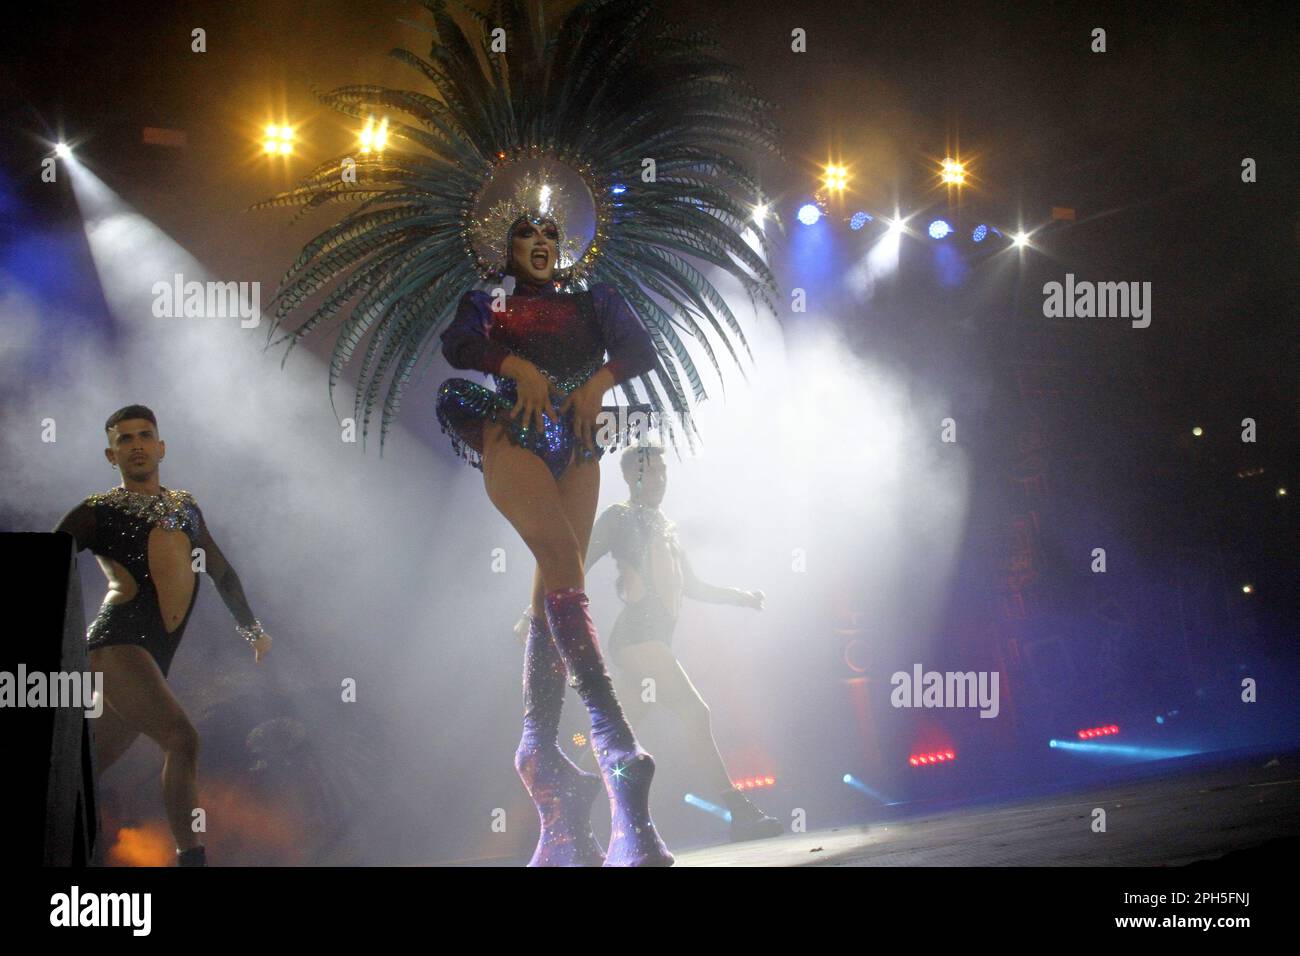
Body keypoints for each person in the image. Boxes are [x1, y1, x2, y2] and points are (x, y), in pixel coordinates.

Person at [437, 210, 674, 867]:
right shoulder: (490, 297)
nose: (539, 243)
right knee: (563, 559)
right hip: (512, 426)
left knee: (557, 581)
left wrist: (598, 383)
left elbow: (641, 347)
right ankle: (614, 739)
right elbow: (458, 343)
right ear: (506, 247)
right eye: (525, 235)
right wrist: (518, 365)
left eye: (548, 234)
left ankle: (544, 765)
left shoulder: (594, 296)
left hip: (578, 437)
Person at [53, 405, 271, 867]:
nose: (135, 445)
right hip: (117, 644)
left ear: (160, 447)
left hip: (155, 655)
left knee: (85, 768)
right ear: (111, 454)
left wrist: (252, 631)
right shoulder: (96, 512)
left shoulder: (186, 508)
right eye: (124, 439)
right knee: (182, 739)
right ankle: (192, 860)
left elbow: (222, 572)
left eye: (144, 436)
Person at [583, 442, 783, 842]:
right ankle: (738, 811)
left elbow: (692, 586)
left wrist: (739, 596)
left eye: (661, 471)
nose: (657, 479)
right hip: (637, 638)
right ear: (628, 477)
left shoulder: (667, 526)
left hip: (654, 642)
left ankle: (569, 800)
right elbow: (578, 560)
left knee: (616, 733)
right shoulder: (618, 517)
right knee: (696, 712)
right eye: (647, 472)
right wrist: (537, 609)